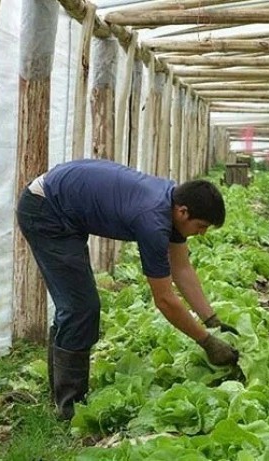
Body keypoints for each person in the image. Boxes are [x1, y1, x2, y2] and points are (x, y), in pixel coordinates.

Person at [16, 159, 240, 420]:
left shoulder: (171, 205)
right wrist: (207, 342)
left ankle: (61, 395)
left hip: (64, 207)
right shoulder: (152, 221)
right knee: (81, 308)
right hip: (45, 209)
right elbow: (165, 300)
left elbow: (181, 270)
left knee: (75, 305)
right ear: (183, 212)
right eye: (200, 227)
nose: (201, 234)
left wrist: (212, 320)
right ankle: (69, 407)